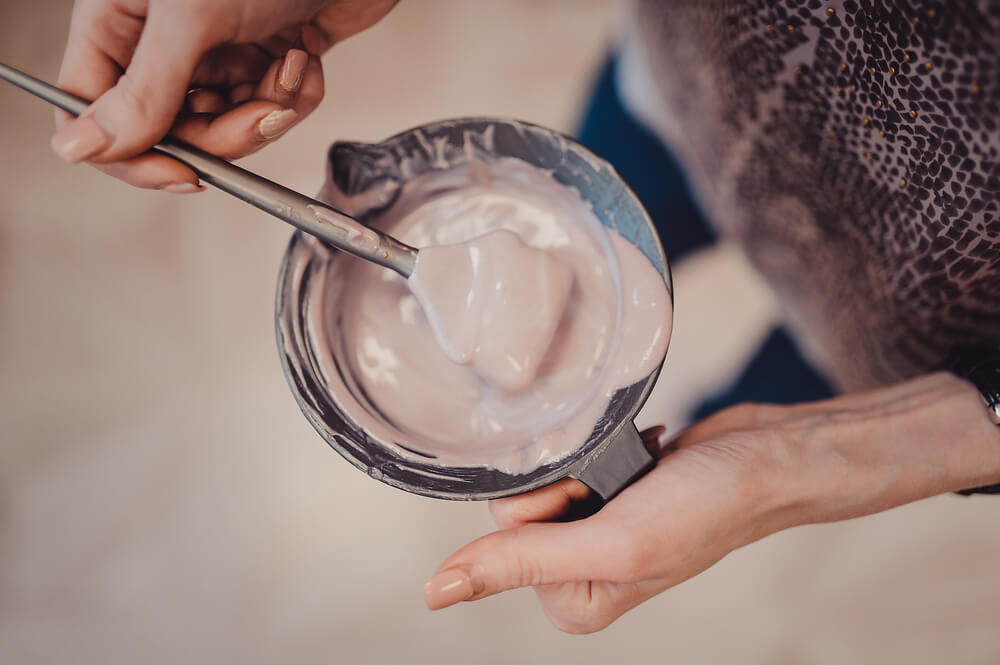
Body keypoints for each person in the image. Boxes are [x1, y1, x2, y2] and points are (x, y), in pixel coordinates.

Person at [52, 0, 999, 634]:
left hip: (920, 322)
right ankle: (695, 421)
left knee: (804, 379)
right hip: (684, 86)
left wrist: (811, 458)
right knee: (711, 392)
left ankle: (709, 420)